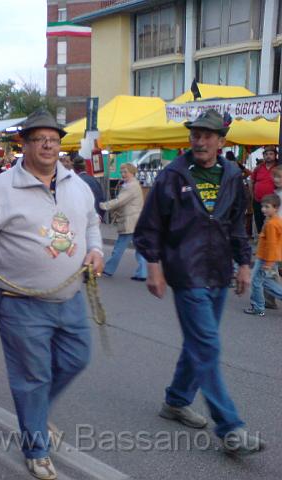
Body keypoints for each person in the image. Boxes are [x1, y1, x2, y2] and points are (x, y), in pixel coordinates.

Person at [0, 109, 103, 480]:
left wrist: (96, 251)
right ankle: (36, 447)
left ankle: (34, 414)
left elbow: (93, 224)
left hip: (70, 298)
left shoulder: (77, 184)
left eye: (54, 138)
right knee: (33, 377)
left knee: (77, 359)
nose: (49, 144)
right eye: (40, 138)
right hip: (20, 302)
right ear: (24, 144)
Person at [134, 109, 265, 455]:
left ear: (221, 141)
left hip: (219, 271)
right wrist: (153, 265)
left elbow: (237, 225)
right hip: (186, 272)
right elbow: (149, 226)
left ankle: (176, 401)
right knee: (207, 346)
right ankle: (231, 428)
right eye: (196, 135)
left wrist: (245, 264)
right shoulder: (172, 175)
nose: (200, 141)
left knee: (198, 344)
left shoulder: (233, 175)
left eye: (208, 136)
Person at [99, 163, 147, 280]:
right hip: (136, 220)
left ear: (132, 172)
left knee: (118, 248)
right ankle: (142, 273)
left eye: (125, 172)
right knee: (140, 249)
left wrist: (103, 205)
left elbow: (119, 201)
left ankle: (108, 270)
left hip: (130, 221)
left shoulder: (131, 186)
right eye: (122, 172)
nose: (123, 174)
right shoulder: (132, 184)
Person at [244, 194, 282, 316]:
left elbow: (271, 244)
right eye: (262, 206)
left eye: (267, 207)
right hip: (265, 257)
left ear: (275, 208)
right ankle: (258, 305)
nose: (263, 209)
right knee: (264, 281)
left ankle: (258, 307)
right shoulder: (274, 221)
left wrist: (269, 263)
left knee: (256, 281)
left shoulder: (271, 224)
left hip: (266, 258)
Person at [250, 145, 277, 233]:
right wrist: (252, 195)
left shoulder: (279, 167)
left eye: (271, 154)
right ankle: (262, 242)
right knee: (259, 225)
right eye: (266, 154)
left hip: (273, 202)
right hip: (258, 201)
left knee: (273, 225)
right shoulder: (258, 168)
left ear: (275, 155)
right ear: (263, 156)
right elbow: (252, 181)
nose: (268, 156)